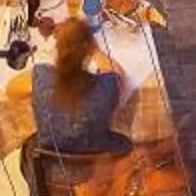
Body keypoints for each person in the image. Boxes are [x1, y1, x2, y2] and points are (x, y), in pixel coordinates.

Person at [29, 12, 127, 157]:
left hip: (50, 167)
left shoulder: (41, 76)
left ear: (57, 49)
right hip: (97, 166)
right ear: (87, 51)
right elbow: (118, 72)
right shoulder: (108, 85)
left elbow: (10, 89)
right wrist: (93, 48)